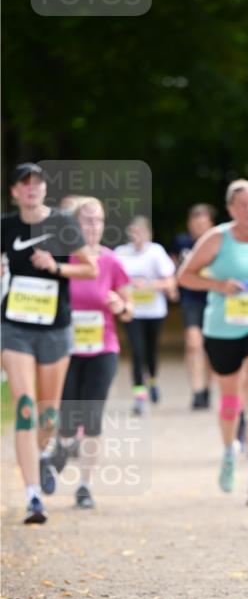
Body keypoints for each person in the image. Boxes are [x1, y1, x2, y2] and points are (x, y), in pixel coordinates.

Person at [1, 164, 97, 523]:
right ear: (14, 192)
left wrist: (55, 268)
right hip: (14, 328)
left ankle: (46, 452)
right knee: (25, 405)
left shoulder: (61, 224)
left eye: (37, 184)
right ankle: (32, 496)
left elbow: (90, 268)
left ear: (44, 190)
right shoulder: (5, 226)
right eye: (24, 185)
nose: (31, 190)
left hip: (56, 328)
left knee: (48, 413)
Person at [177, 179, 248, 505]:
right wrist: (221, 285)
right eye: (242, 204)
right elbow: (185, 276)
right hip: (223, 329)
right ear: (230, 209)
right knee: (230, 400)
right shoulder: (217, 238)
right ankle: (228, 451)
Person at [52, 196, 133, 509]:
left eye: (98, 220)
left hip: (103, 349)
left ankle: (84, 486)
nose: (94, 226)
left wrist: (120, 305)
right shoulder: (62, 259)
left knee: (93, 416)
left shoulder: (111, 262)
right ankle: (63, 443)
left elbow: (129, 309)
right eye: (87, 220)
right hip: (65, 349)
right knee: (68, 418)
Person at [115, 216, 177, 415]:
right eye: (132, 232)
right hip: (132, 310)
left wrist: (148, 285)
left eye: (139, 232)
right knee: (137, 351)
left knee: (150, 352)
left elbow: (169, 282)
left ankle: (152, 379)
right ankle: (139, 395)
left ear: (148, 233)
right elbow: (114, 280)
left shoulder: (156, 252)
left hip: (154, 311)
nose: (136, 237)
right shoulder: (121, 253)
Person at [173, 204, 217, 409]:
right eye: (195, 222)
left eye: (203, 223)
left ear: (210, 225)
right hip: (190, 299)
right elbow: (174, 265)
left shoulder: (218, 242)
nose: (199, 226)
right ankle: (197, 390)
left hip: (213, 298)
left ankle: (207, 387)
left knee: (210, 348)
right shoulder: (182, 242)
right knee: (193, 344)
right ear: (189, 224)